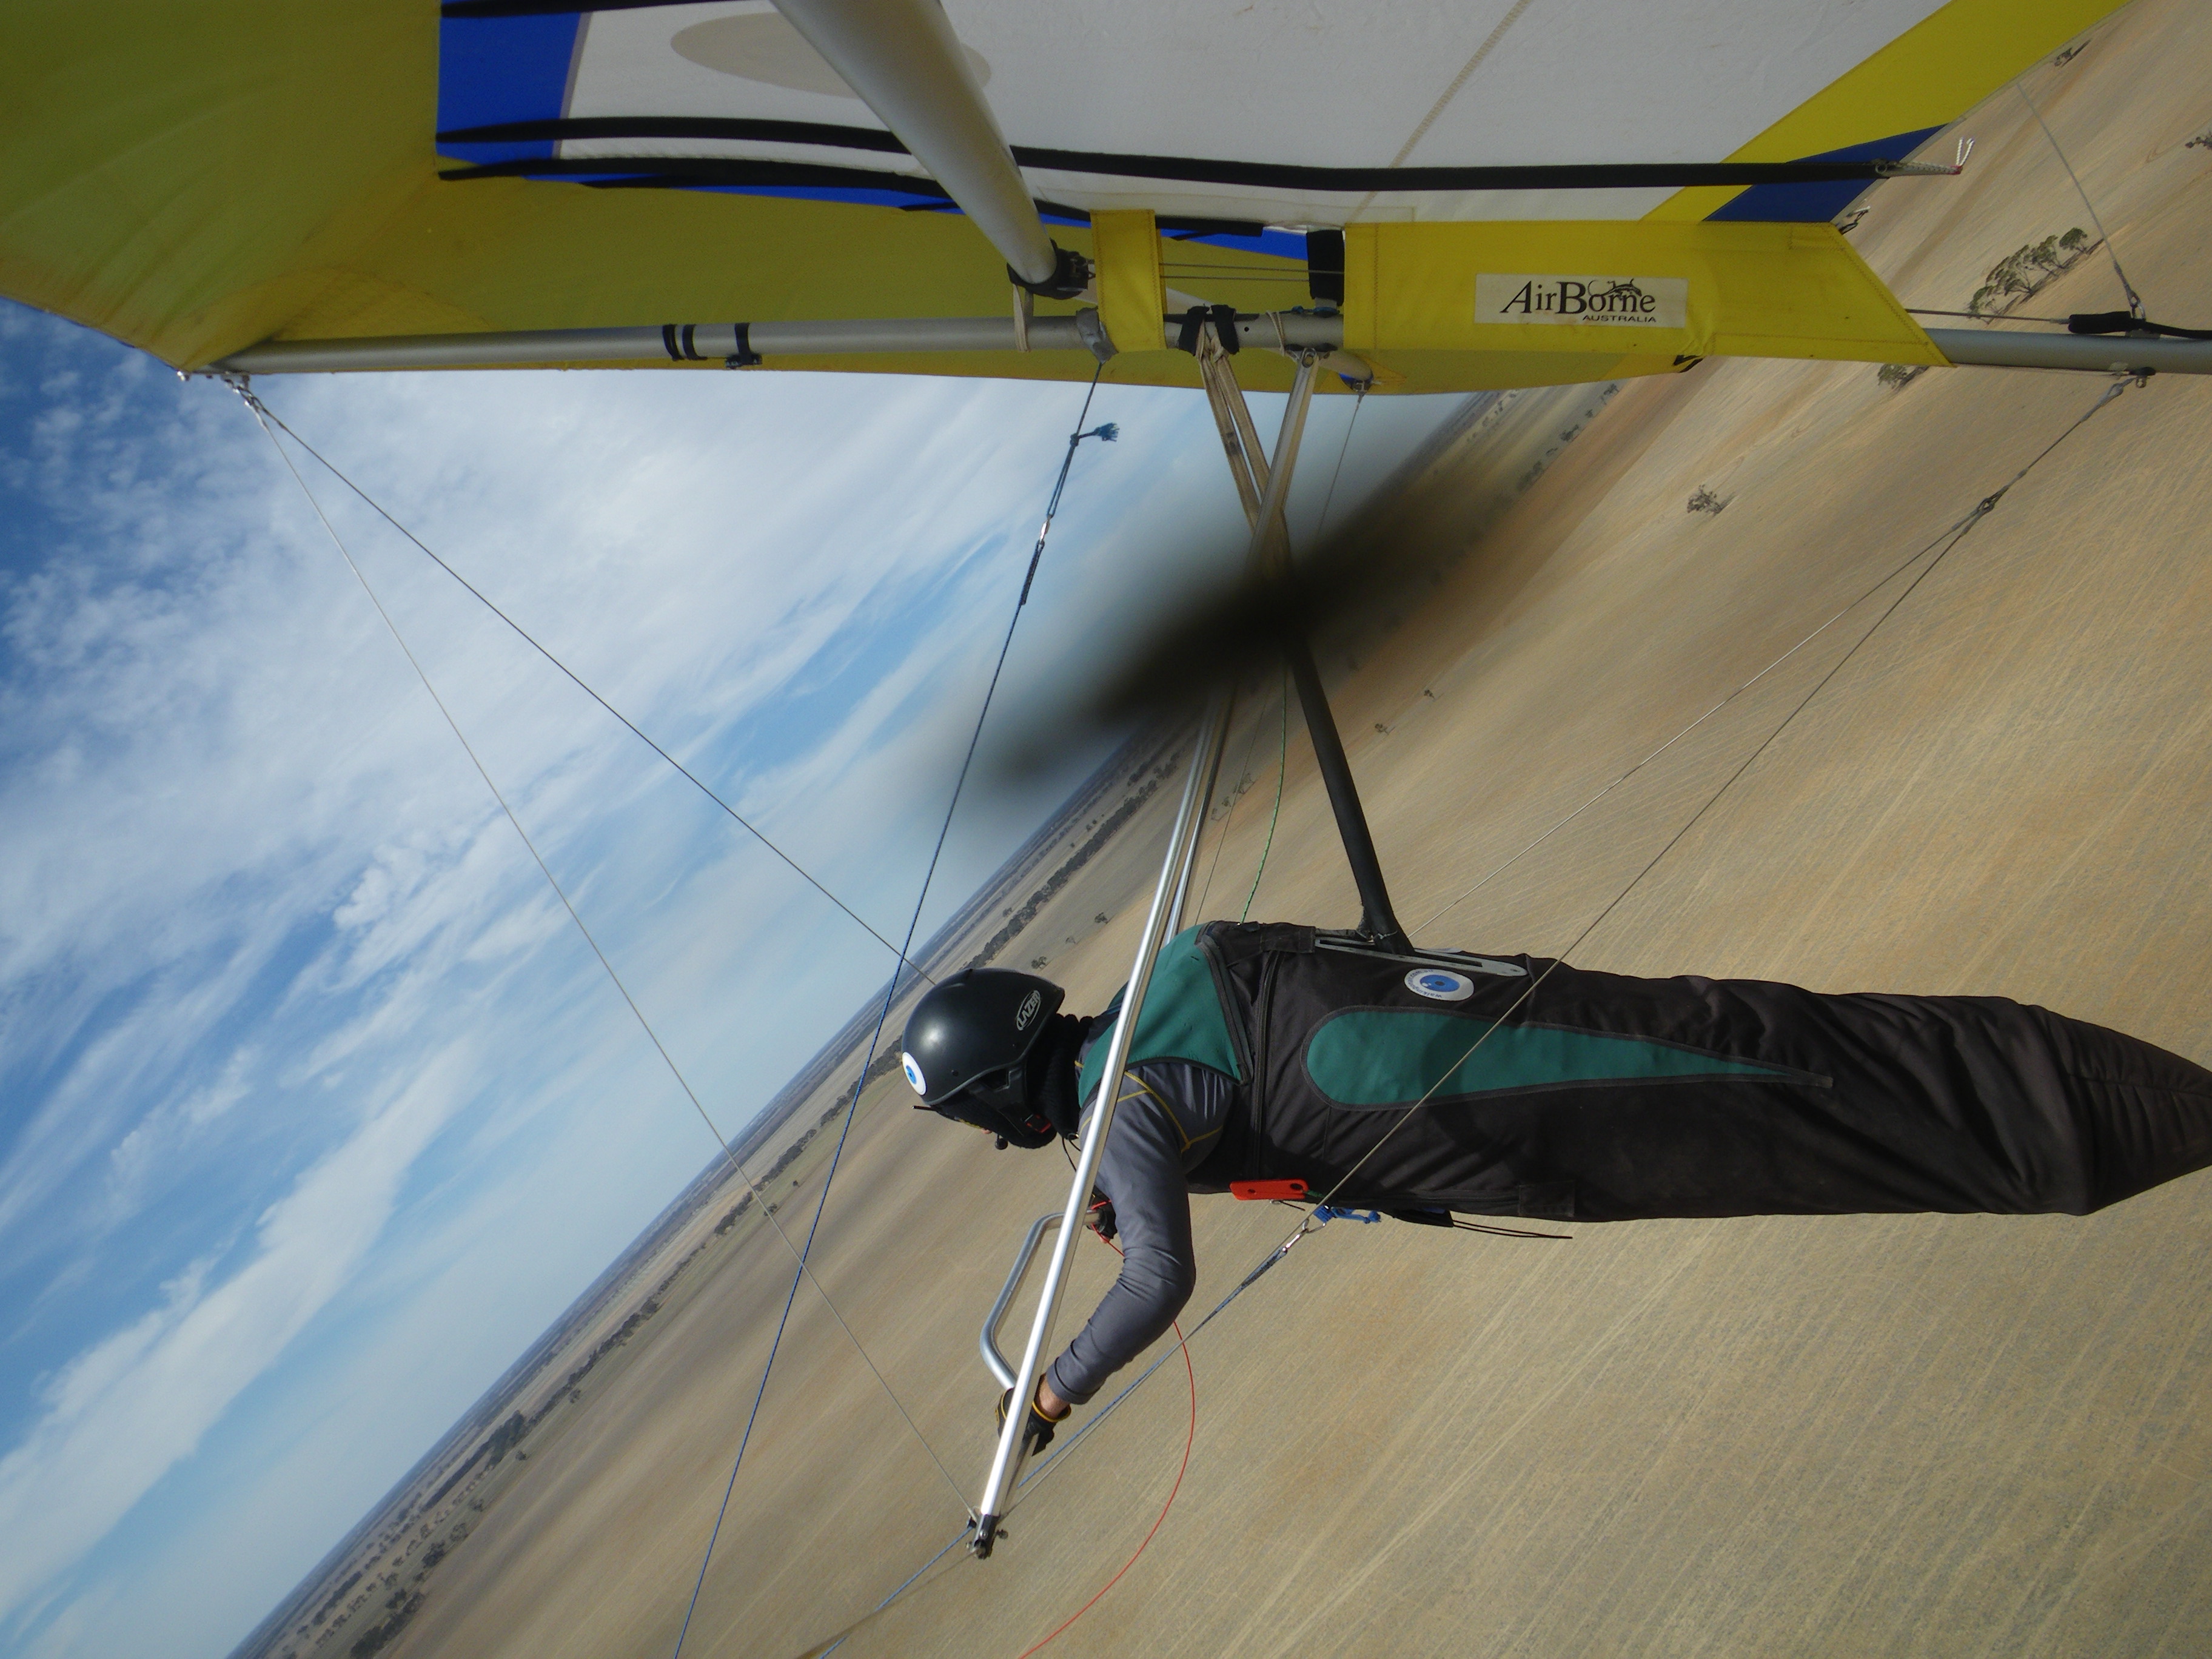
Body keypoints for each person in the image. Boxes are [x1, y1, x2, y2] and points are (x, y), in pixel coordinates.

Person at [900, 921, 2212, 1439]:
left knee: (1803, 1102)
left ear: (999, 1101)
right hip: (1531, 1011)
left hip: (1536, 1109)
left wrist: (1053, 1391)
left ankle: (2097, 1124)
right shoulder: (1182, 966)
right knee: (1792, 1043)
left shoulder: (1125, 1104)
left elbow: (1158, 1278)